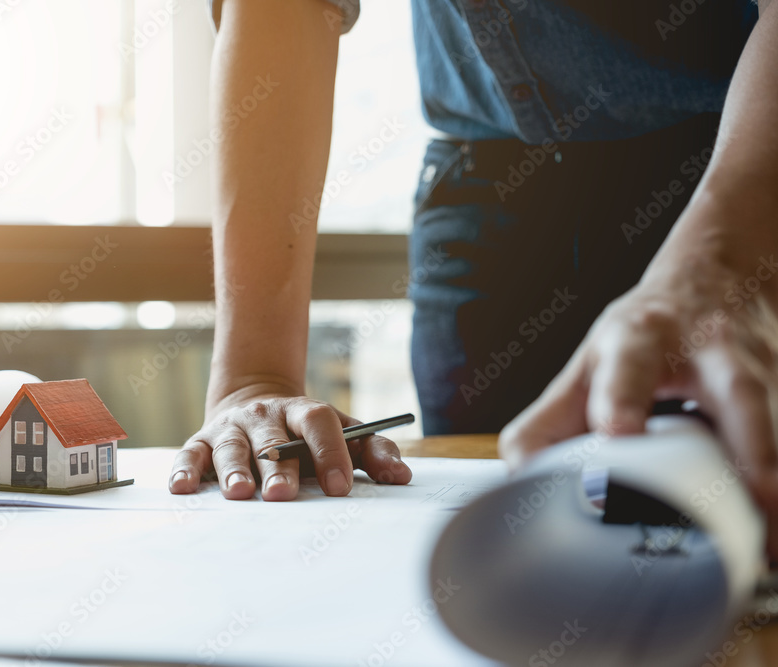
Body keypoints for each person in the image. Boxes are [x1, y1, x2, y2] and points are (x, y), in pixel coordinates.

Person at [169, 0, 778, 550]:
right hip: (489, 198)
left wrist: (725, 261)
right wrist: (255, 375)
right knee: (509, 552)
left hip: (747, 167)